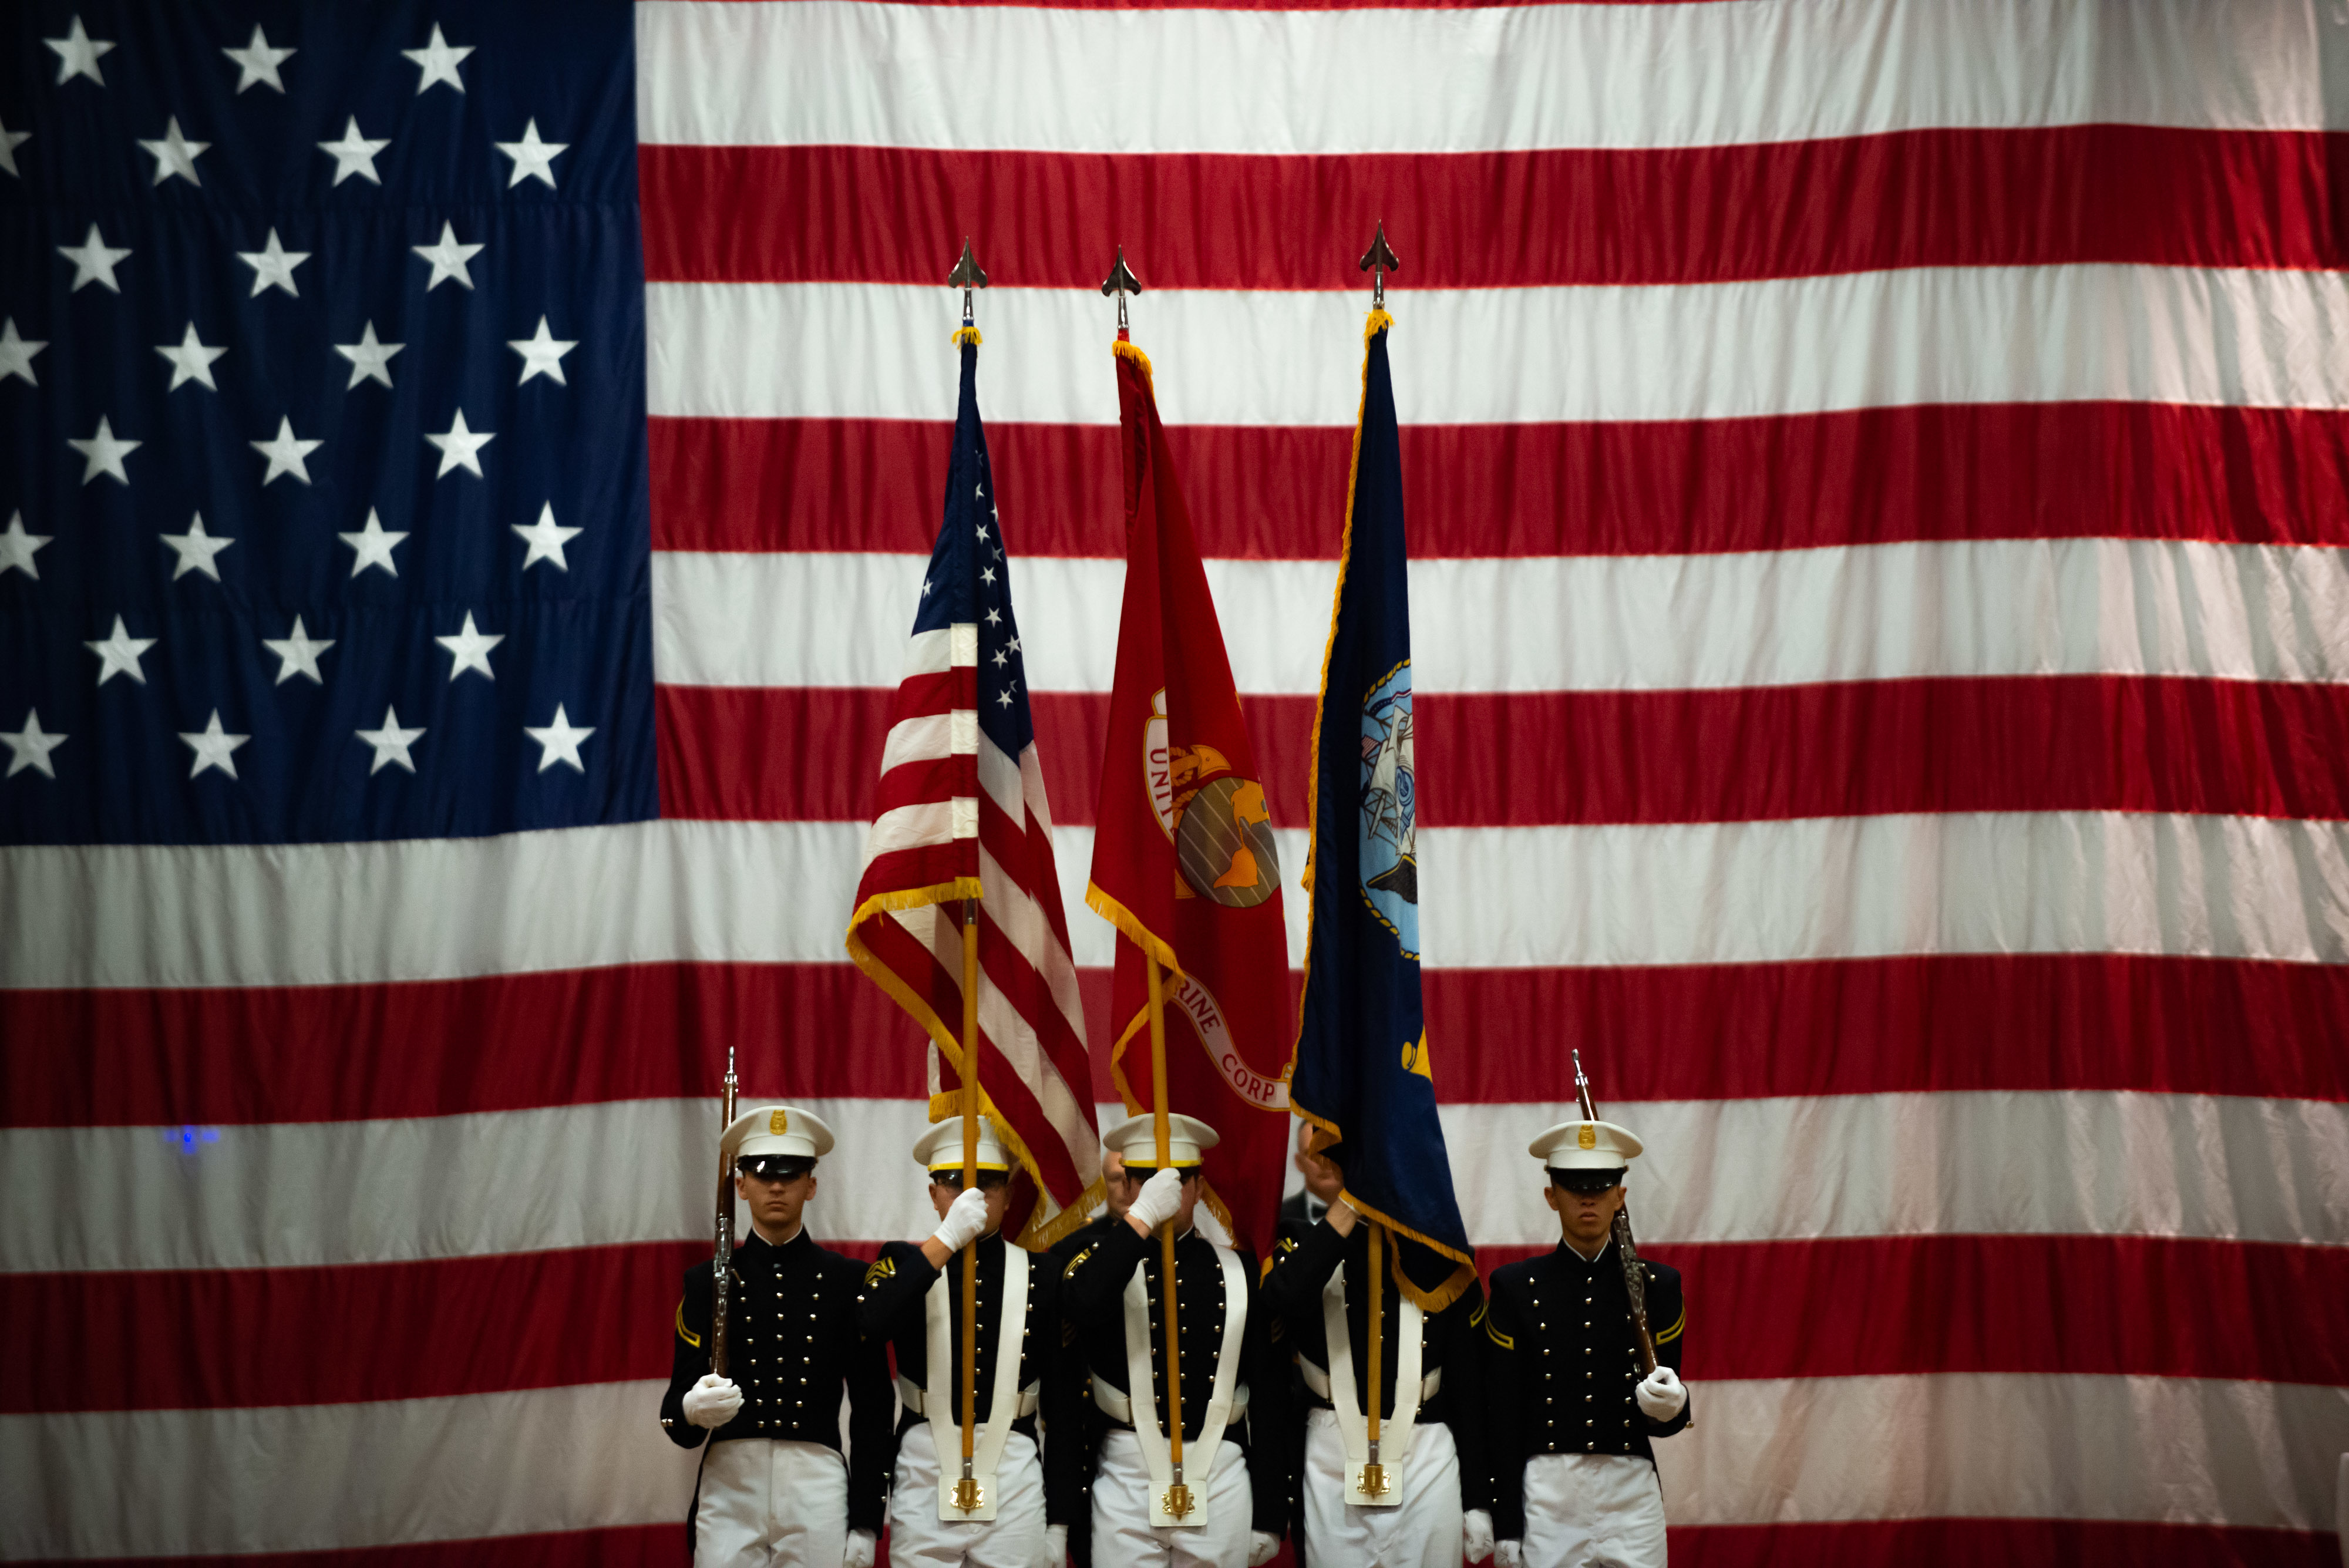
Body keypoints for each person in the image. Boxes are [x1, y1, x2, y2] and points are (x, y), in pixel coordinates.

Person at [661, 1104, 894, 1568]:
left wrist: (867, 1520)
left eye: (791, 1174)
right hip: (730, 1485)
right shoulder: (706, 1282)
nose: (777, 1185)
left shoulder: (848, 1282)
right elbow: (675, 1418)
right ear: (741, 1184)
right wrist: (691, 1408)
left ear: (811, 1184)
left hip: (816, 1484)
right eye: (762, 1174)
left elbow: (873, 1408)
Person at [1056, 1115, 1286, 1568]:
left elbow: (1270, 1396)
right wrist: (1141, 1220)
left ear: (1199, 1189)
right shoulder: (1093, 1259)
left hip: (1219, 1468)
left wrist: (1271, 1513)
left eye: (1177, 1179)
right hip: (1125, 1468)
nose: (1162, 1189)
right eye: (1144, 1178)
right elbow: (1081, 1305)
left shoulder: (1239, 1269)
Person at [1261, 1153, 1493, 1568]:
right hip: (1330, 1449)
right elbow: (1284, 1297)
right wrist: (1351, 1205)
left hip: (1427, 1450)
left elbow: (1470, 1385)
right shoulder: (1302, 1240)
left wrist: (1479, 1499)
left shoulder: (1442, 1255)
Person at [1482, 1120, 1689, 1568]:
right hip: (1548, 1490)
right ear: (1551, 1195)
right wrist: (1506, 1520)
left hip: (1631, 1488)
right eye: (1574, 1186)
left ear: (1621, 1194)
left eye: (1602, 1184)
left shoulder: (1658, 1286)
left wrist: (1672, 1405)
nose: (1588, 1197)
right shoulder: (1516, 1287)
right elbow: (1503, 1414)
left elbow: (1667, 1424)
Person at [860, 1119, 1064, 1567]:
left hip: (1013, 1463)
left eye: (988, 1184)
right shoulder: (902, 1262)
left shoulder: (1042, 1275)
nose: (971, 1197)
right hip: (924, 1460)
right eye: (954, 1184)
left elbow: (1063, 1405)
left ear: (1009, 1196)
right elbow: (872, 1323)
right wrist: (947, 1241)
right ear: (933, 1194)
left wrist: (1060, 1521)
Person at [1045, 1152, 1127, 1567]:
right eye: (1116, 1178)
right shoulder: (1070, 1251)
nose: (1128, 1188)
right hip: (1087, 1433)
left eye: (1140, 1177)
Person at [1278, 1122, 1344, 1229]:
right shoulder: (1277, 1220)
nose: (1323, 1162)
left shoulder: (1373, 1219)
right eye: (1313, 1154)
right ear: (1299, 1163)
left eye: (1331, 1150)